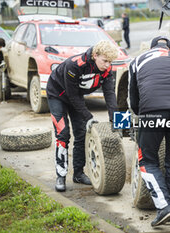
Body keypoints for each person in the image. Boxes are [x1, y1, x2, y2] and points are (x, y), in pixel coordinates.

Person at [128, 36, 170, 226]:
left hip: (152, 111)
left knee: (146, 160)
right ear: (169, 48)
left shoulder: (137, 61)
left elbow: (133, 95)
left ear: (151, 47)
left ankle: (164, 208)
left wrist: (140, 116)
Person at [46, 40, 118, 192]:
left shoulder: (106, 69)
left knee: (81, 133)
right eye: (104, 61)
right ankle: (61, 175)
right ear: (95, 55)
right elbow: (72, 95)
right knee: (63, 134)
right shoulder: (75, 64)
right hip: (57, 94)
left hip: (76, 97)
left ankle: (78, 173)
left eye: (110, 62)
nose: (107, 65)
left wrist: (116, 120)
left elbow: (110, 94)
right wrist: (88, 116)